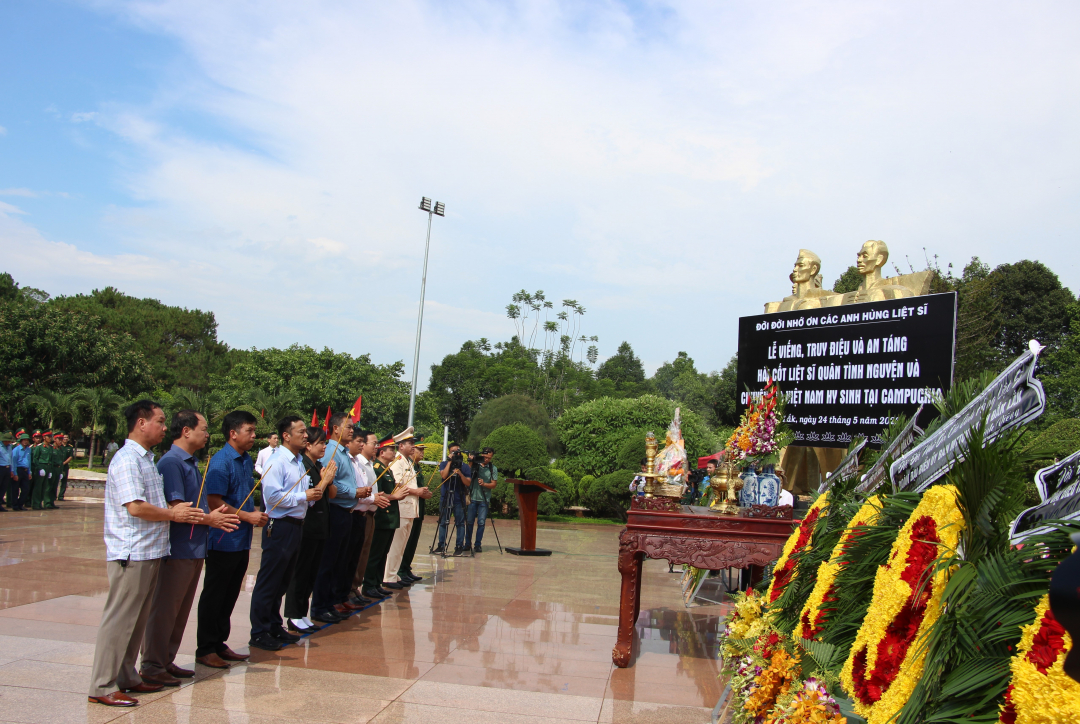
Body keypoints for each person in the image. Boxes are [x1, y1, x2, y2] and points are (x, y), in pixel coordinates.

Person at [87, 400, 203, 708]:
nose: (165, 428)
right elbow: (136, 507)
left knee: (136, 622)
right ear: (141, 423)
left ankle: (126, 676)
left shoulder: (146, 460)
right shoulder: (127, 460)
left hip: (150, 551)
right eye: (160, 421)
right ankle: (102, 683)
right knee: (119, 620)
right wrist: (173, 514)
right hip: (132, 552)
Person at [140, 410, 239, 687]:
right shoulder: (172, 463)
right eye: (203, 429)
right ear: (186, 431)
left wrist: (211, 518)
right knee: (165, 609)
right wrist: (212, 519)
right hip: (178, 548)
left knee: (180, 610)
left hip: (195, 547)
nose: (207, 435)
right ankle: (152, 664)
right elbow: (177, 509)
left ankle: (166, 660)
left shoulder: (190, 462)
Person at [249, 416, 333, 651]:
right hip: (280, 525)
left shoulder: (297, 462)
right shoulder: (278, 461)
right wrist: (304, 497)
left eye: (306, 432)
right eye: (301, 432)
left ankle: (275, 626)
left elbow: (305, 494)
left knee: (283, 581)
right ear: (286, 435)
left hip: (297, 524)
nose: (306, 436)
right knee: (269, 581)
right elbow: (272, 498)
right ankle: (259, 631)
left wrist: (315, 493)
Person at [195, 410, 267, 669]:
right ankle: (205, 647)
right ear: (233, 433)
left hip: (241, 540)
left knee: (230, 594)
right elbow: (214, 501)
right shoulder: (221, 461)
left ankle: (219, 643)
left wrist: (252, 515)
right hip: (223, 539)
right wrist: (247, 517)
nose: (254, 436)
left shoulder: (246, 460)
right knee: (215, 593)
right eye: (249, 431)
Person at [284, 426, 336, 633]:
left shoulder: (318, 465)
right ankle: (293, 615)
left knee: (311, 572)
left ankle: (302, 613)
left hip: (320, 526)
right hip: (307, 526)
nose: (324, 447)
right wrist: (324, 481)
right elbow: (312, 496)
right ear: (308, 446)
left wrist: (328, 479)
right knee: (300, 572)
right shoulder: (303, 466)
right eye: (320, 443)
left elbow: (330, 494)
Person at [311, 412, 359, 622]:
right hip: (336, 510)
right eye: (348, 427)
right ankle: (320, 606)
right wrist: (354, 492)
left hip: (346, 512)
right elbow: (331, 483)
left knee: (340, 561)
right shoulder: (331, 451)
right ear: (336, 429)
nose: (352, 430)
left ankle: (331, 602)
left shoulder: (343, 452)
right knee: (328, 561)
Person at [384, 427, 430, 586]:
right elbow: (396, 484)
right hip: (402, 508)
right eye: (409, 443)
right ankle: (388, 577)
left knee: (402, 545)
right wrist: (416, 491)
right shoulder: (397, 461)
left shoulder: (407, 462)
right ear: (401, 445)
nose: (412, 446)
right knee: (395, 545)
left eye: (412, 443)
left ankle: (395, 574)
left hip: (410, 509)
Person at [362, 436, 406, 598]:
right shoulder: (377, 469)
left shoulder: (386, 469)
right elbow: (380, 495)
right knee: (375, 553)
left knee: (383, 553)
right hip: (382, 516)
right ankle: (369, 584)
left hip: (390, 517)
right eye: (391, 449)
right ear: (382, 452)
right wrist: (395, 496)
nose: (394, 452)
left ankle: (377, 583)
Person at [349, 429, 386, 605]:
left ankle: (356, 586)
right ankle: (350, 589)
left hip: (370, 512)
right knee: (355, 554)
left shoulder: (370, 464)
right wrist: (373, 499)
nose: (376, 447)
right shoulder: (358, 463)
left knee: (364, 553)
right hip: (359, 511)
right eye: (374, 443)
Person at [396, 441, 431, 582]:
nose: (421, 453)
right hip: (407, 506)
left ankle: (406, 567)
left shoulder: (416, 466)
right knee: (405, 541)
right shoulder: (403, 462)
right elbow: (400, 484)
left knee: (413, 540)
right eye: (419, 449)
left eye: (423, 450)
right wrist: (418, 492)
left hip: (417, 507)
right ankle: (400, 570)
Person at [436, 442, 472, 555]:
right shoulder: (444, 463)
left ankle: (459, 546)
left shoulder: (464, 466)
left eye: (457, 451)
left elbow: (468, 483)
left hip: (459, 498)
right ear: (449, 452)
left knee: (460, 523)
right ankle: (441, 545)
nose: (456, 453)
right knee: (443, 522)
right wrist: (449, 461)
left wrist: (460, 474)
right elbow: (443, 475)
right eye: (453, 451)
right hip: (446, 496)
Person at [464, 447, 497, 553]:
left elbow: (494, 484)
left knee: (481, 522)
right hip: (473, 497)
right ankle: (467, 544)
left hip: (484, 499)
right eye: (485, 457)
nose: (486, 459)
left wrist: (484, 484)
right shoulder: (475, 464)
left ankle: (478, 544)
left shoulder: (492, 468)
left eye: (489, 458)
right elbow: (467, 475)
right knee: (469, 522)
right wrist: (470, 461)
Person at [10, 431, 31, 511]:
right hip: (18, 469)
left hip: (25, 470)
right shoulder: (16, 449)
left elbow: (29, 462)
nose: (26, 441)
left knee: (26, 489)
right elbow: (14, 462)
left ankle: (20, 504)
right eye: (24, 440)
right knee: (15, 489)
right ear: (21, 440)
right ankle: (15, 505)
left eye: (27, 440)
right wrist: (15, 473)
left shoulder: (28, 450)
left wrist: (29, 472)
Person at [30, 429, 49, 510]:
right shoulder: (34, 447)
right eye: (36, 437)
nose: (38, 439)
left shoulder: (48, 447)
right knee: (35, 487)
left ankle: (39, 503)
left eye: (39, 437)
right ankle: (34, 503)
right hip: (36, 469)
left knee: (43, 487)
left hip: (44, 469)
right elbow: (34, 459)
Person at [58, 433, 73, 502]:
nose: (66, 439)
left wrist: (64, 463)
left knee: (64, 482)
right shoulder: (58, 446)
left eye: (67, 437)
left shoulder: (70, 447)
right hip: (57, 466)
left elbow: (70, 457)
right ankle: (53, 495)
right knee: (54, 481)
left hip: (65, 466)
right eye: (64, 437)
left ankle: (61, 496)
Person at [0, 431, 11, 512]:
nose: (8, 442)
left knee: (4, 487)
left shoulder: (9, 447)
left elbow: (11, 459)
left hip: (7, 468)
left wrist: (12, 470)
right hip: (1, 468)